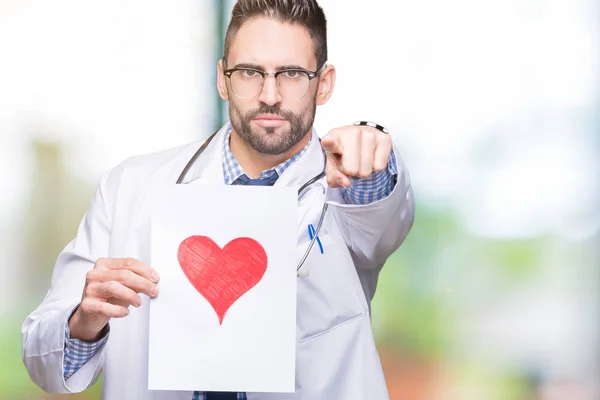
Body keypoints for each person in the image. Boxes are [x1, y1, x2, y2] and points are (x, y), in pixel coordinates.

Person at [22, 0, 415, 399]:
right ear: (222, 79)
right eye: (249, 72)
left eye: (292, 74)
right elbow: (45, 365)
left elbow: (382, 216)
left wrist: (372, 156)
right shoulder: (130, 188)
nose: (270, 95)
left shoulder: (347, 190)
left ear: (324, 83)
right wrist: (84, 321)